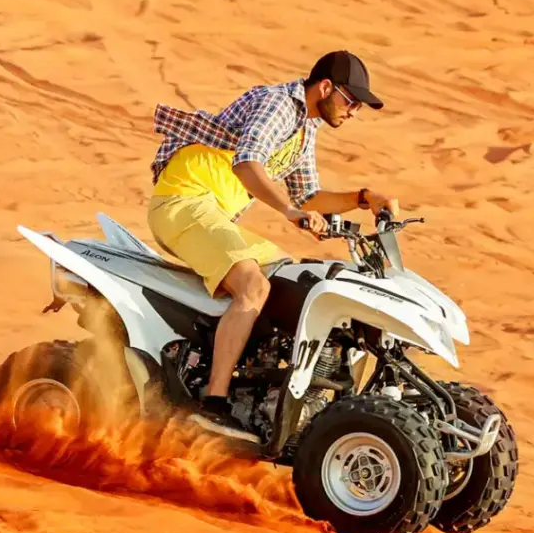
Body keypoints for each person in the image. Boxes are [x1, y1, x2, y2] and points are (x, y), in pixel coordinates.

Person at [146, 50, 400, 442]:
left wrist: (364, 198)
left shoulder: (305, 129)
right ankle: (213, 406)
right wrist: (287, 211)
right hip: (184, 201)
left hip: (208, 215)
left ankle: (260, 388)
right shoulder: (279, 105)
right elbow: (246, 164)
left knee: (291, 282)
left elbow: (309, 197)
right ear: (326, 87)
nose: (354, 112)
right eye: (350, 101)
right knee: (254, 285)